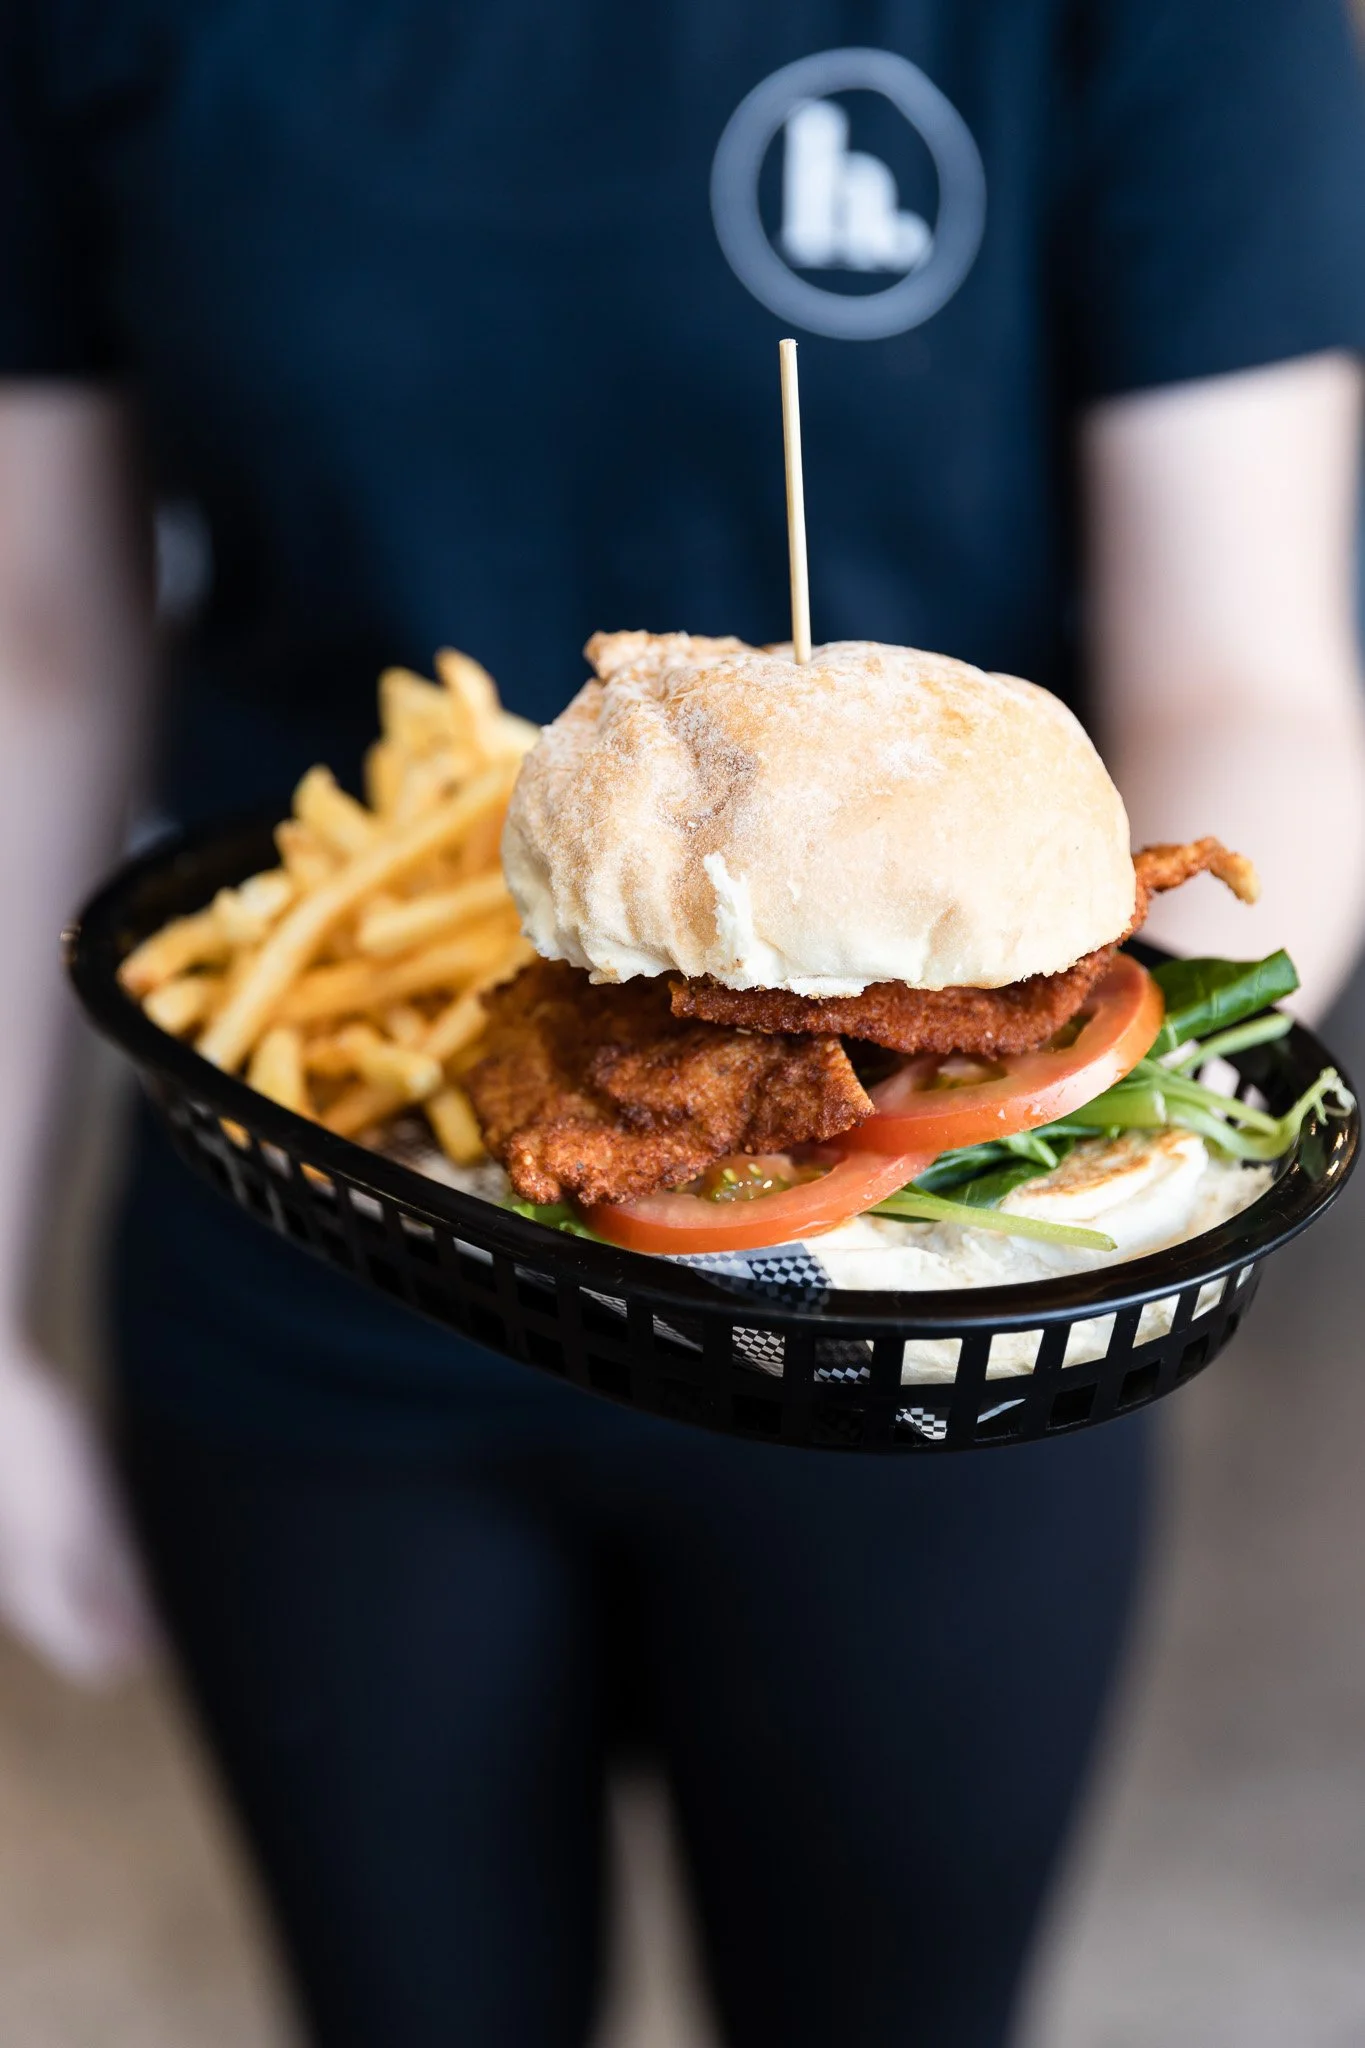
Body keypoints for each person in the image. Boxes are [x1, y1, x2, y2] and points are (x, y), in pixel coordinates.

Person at [2, 1, 1365, 2041]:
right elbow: (32, 639)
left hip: (945, 1373)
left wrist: (1046, 1102)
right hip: (325, 1233)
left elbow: (1249, 664)